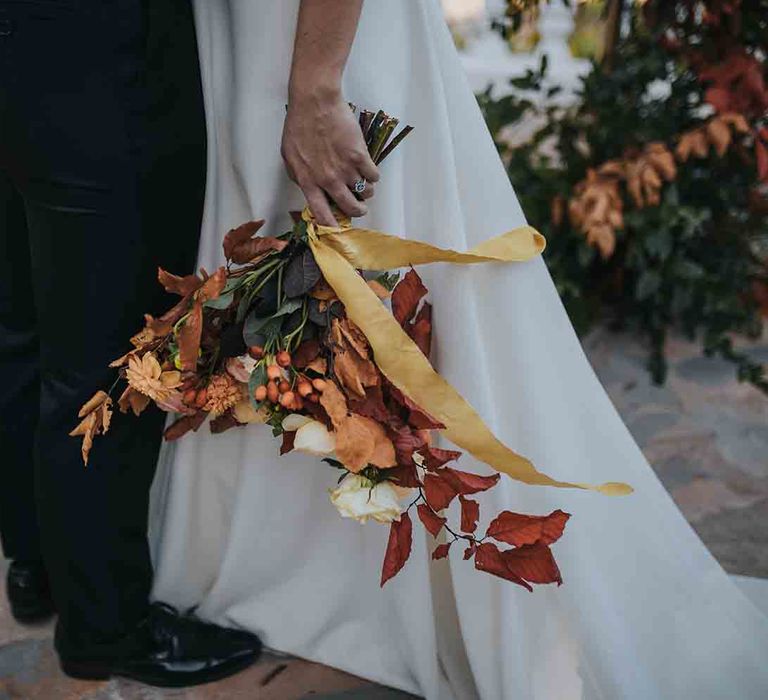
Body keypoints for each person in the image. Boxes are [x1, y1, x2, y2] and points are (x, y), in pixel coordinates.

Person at [150, 1, 768, 698]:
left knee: (377, 292)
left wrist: (318, 90)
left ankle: (399, 589)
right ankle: (293, 569)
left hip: (314, 44)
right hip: (243, 39)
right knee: (276, 299)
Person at [0, 0, 261, 687]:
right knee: (111, 357)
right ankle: (104, 629)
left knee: (22, 322)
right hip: (99, 47)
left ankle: (38, 567)